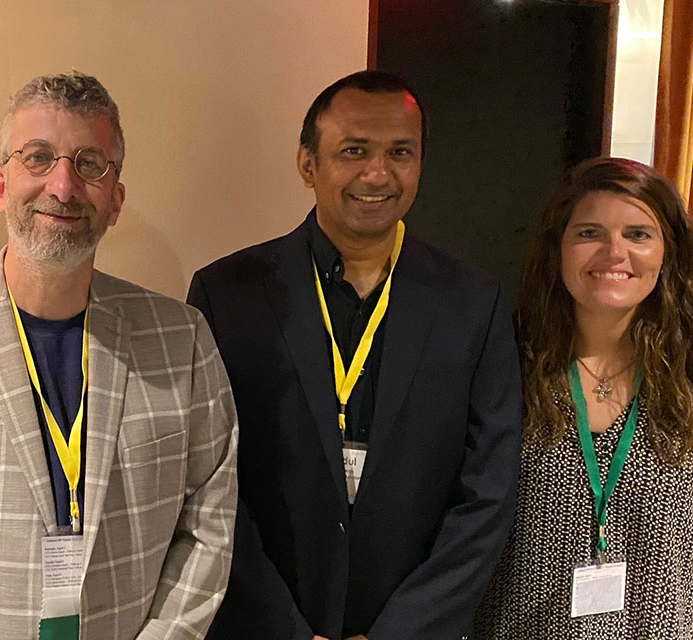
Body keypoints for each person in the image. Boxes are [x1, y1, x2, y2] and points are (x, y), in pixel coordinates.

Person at [0, 72, 238, 639]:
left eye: (89, 163)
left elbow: (211, 523)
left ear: (115, 201)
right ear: (1, 185)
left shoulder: (181, 338)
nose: (63, 186)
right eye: (38, 157)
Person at [187, 70, 522, 640]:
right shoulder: (227, 294)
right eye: (354, 150)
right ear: (307, 163)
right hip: (264, 624)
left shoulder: (473, 302)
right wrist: (281, 628)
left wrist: (404, 630)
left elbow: (489, 491)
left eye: (400, 152)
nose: (378, 173)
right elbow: (205, 482)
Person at [475, 157, 693, 639]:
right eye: (589, 233)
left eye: (638, 235)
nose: (614, 253)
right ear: (557, 249)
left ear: (668, 251)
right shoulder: (503, 358)